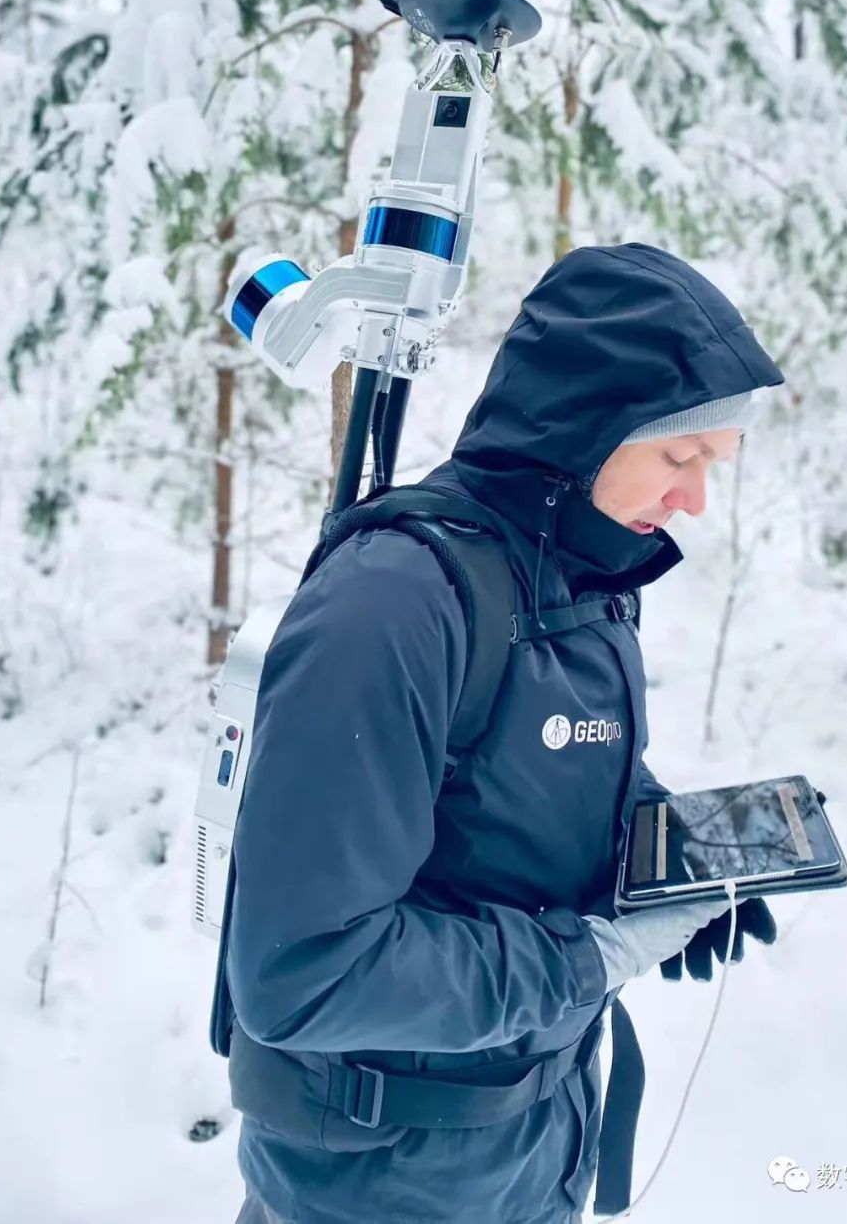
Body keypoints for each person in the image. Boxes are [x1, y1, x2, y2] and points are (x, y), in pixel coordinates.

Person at [223, 242, 786, 1224]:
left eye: (714, 464)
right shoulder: (392, 605)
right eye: (678, 456)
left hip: (529, 1156)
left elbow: (535, 768)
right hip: (379, 1186)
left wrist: (667, 856)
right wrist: (590, 956)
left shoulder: (584, 573)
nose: (694, 500)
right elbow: (303, 972)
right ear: (583, 424)